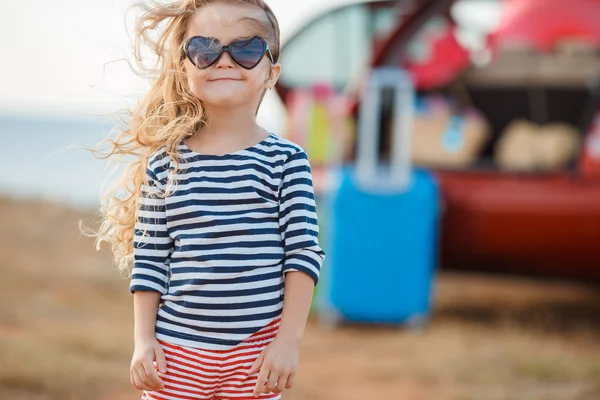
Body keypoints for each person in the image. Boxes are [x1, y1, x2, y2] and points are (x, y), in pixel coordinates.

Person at [88, 1, 325, 399]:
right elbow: (150, 260)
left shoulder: (287, 161)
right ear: (185, 69)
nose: (225, 60)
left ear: (272, 73)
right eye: (205, 49)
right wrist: (143, 340)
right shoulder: (164, 165)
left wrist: (288, 342)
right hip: (176, 354)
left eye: (247, 48)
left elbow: (303, 255)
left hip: (256, 354)